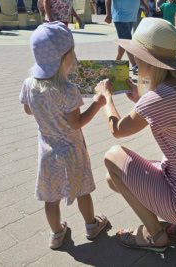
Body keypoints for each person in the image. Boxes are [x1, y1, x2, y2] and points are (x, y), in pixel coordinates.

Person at [95, 17, 176, 251]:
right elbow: (172, 113)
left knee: (112, 156)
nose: (135, 62)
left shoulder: (157, 99)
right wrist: (140, 98)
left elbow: (117, 130)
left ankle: (155, 235)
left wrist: (106, 97)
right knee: (114, 179)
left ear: (145, 58)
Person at [19, 22, 108, 249]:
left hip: (47, 152)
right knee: (83, 191)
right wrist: (97, 104)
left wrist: (45, 111)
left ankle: (57, 234)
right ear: (65, 57)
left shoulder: (29, 85)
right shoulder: (68, 90)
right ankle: (91, 226)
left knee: (51, 197)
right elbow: (76, 122)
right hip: (72, 151)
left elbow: (28, 110)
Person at [105, 0, 148, 75]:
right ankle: (134, 65)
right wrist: (108, 15)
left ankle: (116, 62)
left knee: (123, 41)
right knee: (127, 41)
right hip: (121, 16)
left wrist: (145, 5)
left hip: (131, 16)